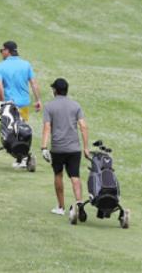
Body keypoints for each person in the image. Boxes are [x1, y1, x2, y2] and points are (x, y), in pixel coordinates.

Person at [40, 78, 90, 216]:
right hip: (74, 149)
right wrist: (86, 147)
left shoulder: (49, 106)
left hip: (58, 148)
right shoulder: (75, 105)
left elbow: (46, 127)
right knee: (75, 176)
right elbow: (83, 126)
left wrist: (43, 147)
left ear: (55, 90)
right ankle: (79, 203)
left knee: (58, 175)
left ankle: (61, 207)